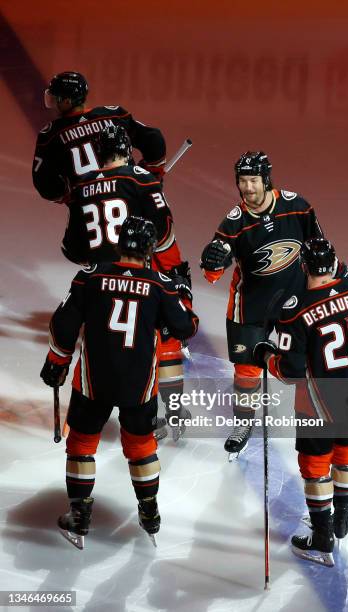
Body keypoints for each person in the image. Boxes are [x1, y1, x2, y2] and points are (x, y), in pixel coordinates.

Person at [40, 217, 199, 549]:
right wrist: (183, 295)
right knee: (141, 448)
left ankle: (79, 517)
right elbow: (184, 328)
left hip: (93, 380)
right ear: (149, 248)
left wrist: (57, 362)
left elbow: (64, 324)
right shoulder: (159, 284)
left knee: (82, 444)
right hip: (138, 384)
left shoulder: (90, 276)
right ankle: (150, 512)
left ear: (119, 243)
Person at [253, 238, 348, 566]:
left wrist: (265, 355)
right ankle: (342, 520)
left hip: (315, 404)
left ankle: (321, 538)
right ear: (334, 263)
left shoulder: (298, 309)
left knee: (315, 464)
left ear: (304, 266)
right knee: (347, 452)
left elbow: (290, 372)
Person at [62, 123, 191, 441]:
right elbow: (162, 237)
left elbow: (72, 248)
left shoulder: (81, 188)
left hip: (98, 281)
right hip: (140, 272)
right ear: (127, 151)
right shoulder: (142, 179)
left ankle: (91, 409)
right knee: (165, 336)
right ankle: (172, 412)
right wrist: (176, 278)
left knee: (99, 340)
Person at [200, 151, 324, 459]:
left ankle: (316, 416)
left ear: (266, 180)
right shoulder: (233, 223)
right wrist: (212, 260)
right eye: (242, 181)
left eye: (253, 180)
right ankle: (243, 424)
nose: (248, 188)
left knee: (310, 360)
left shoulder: (297, 207)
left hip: (295, 304)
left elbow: (319, 248)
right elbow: (211, 274)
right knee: (246, 371)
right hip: (250, 308)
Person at [32, 71, 166, 202]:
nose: (52, 104)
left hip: (89, 210)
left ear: (67, 102)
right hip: (129, 196)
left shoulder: (50, 135)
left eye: (55, 99)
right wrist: (150, 173)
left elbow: (44, 184)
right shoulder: (114, 116)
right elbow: (154, 139)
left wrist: (69, 195)